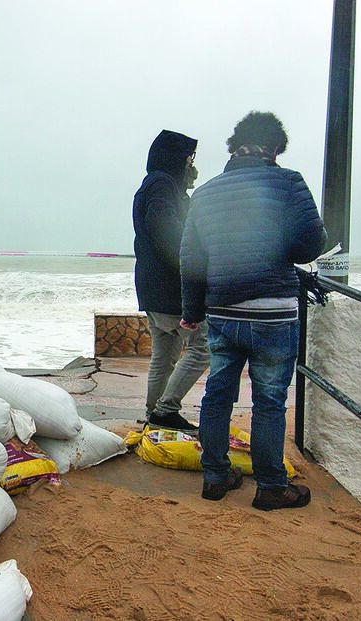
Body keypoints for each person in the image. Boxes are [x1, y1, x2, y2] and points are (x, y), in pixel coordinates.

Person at [180, 111, 327, 510]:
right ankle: (270, 486)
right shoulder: (288, 183)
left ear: (234, 147)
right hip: (273, 315)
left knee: (217, 395)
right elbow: (310, 246)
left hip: (223, 312)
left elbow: (191, 259)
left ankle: (215, 476)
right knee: (268, 401)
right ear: (276, 148)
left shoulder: (206, 193)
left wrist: (191, 311)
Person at [132, 129, 210, 433]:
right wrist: (194, 271)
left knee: (164, 355)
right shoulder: (163, 185)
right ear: (178, 157)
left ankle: (153, 413)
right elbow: (168, 234)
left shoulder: (154, 185)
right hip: (171, 288)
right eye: (190, 157)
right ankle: (166, 410)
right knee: (203, 347)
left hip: (152, 288)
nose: (192, 163)